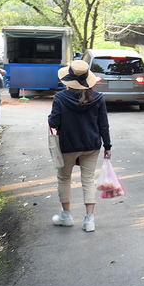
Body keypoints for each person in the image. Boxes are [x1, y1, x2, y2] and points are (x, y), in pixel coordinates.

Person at [48, 60, 112, 233]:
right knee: (88, 180)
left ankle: (66, 215)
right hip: (92, 145)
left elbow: (54, 122)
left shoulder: (60, 98)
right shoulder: (98, 98)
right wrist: (108, 146)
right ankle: (89, 220)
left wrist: (52, 117)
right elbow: (103, 125)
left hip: (68, 145)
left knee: (64, 178)